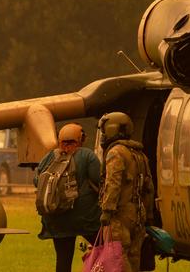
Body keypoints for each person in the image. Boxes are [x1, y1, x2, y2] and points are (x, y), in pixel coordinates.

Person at [33, 123, 101, 272]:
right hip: (85, 218)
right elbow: (99, 180)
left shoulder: (49, 156)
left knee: (63, 260)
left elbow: (37, 181)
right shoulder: (87, 155)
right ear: (80, 138)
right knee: (104, 249)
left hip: (56, 218)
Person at [97, 112, 154, 272]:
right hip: (138, 214)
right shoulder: (139, 154)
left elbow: (112, 184)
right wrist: (148, 214)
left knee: (118, 257)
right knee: (134, 257)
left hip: (119, 214)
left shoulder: (116, 153)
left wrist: (107, 210)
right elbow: (149, 187)